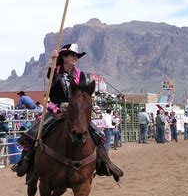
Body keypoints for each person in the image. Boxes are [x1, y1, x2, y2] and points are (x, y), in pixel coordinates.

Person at [12, 43, 123, 181]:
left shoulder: (80, 74)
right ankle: (25, 161)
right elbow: (50, 82)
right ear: (64, 57)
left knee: (97, 134)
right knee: (34, 132)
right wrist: (53, 60)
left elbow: (83, 93)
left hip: (75, 111)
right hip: (56, 109)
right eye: (72, 55)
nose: (75, 58)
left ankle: (105, 163)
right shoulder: (55, 71)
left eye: (76, 56)